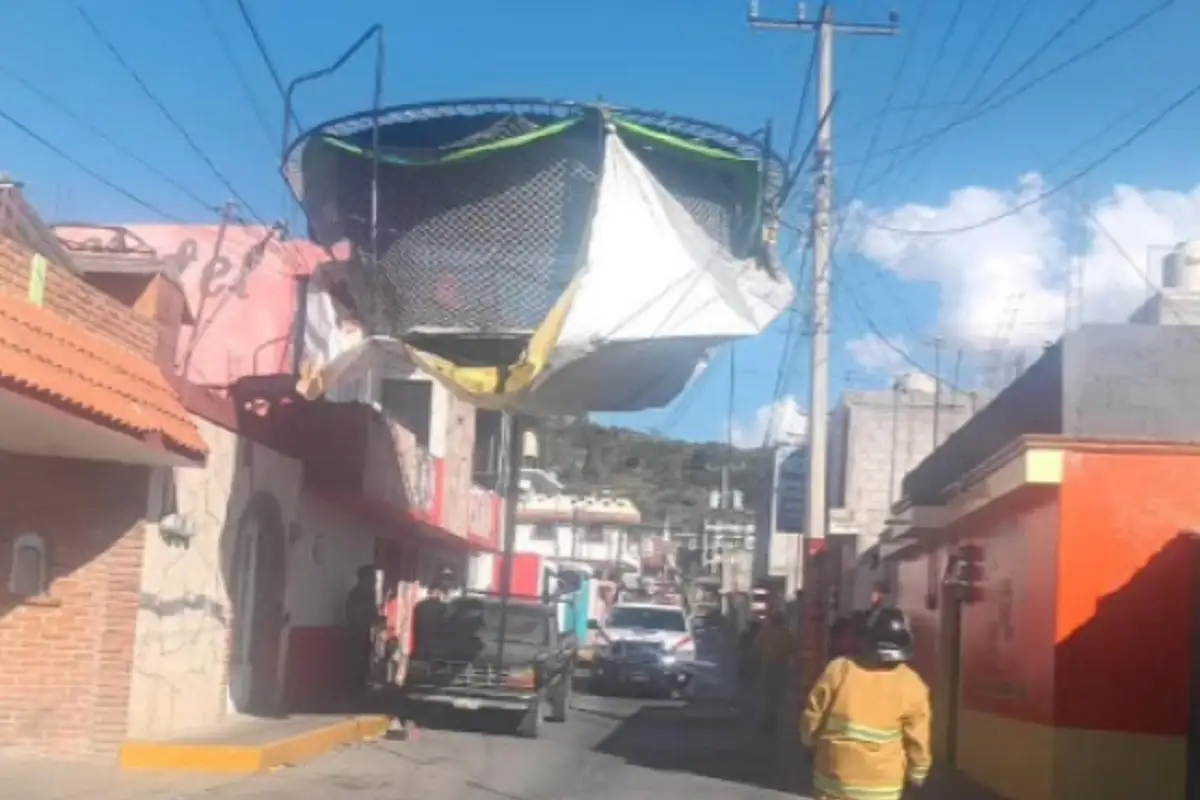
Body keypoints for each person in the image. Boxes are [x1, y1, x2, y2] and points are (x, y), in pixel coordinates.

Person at [801, 607, 932, 800]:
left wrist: (808, 743)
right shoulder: (913, 685)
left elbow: (813, 714)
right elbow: (918, 739)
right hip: (882, 789)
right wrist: (917, 774)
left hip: (832, 782)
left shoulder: (838, 669)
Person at [753, 610, 796, 734]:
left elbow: (757, 645)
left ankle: (767, 717)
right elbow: (793, 649)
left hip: (767, 665)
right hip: (781, 666)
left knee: (767, 693)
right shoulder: (786, 633)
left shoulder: (765, 632)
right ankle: (775, 718)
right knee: (778, 694)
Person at [345, 565, 380, 699]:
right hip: (357, 630)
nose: (375, 581)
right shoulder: (360, 594)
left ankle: (360, 683)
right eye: (373, 577)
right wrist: (374, 618)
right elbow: (360, 613)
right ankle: (355, 686)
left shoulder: (362, 593)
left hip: (362, 630)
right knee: (358, 658)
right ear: (365, 578)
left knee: (364, 657)